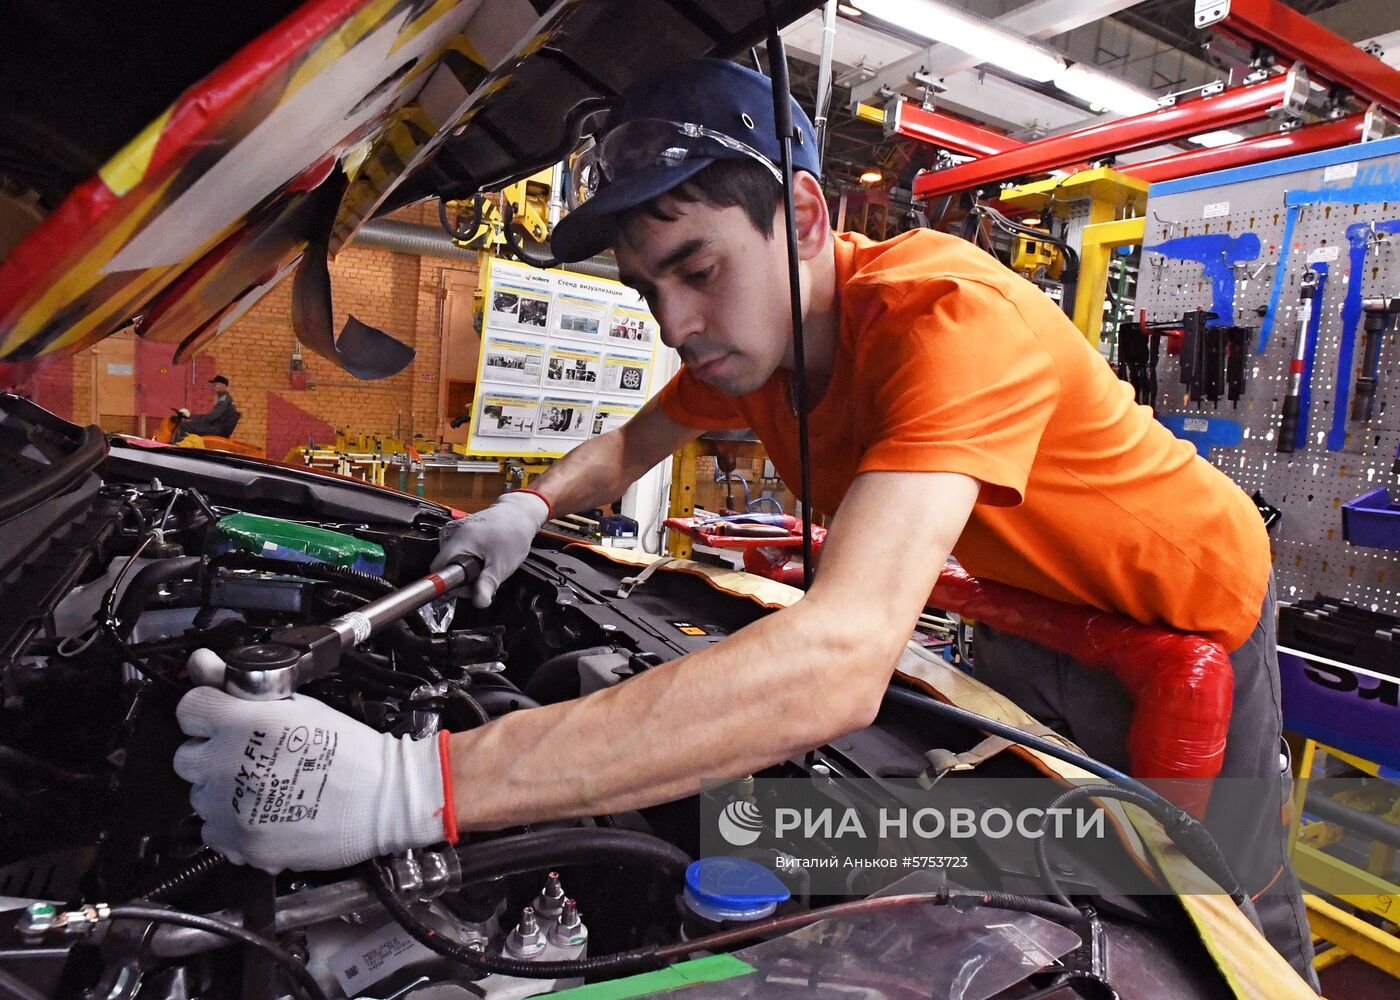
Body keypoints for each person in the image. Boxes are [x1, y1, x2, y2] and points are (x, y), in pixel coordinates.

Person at [172, 60, 1315, 985]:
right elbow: (634, 440)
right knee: (1076, 871)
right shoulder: (751, 344)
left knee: (1216, 904)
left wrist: (413, 787)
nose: (674, 322)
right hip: (1036, 616)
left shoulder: (949, 317)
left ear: (806, 214)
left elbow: (834, 666)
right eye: (645, 290)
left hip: (1193, 615)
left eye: (695, 267)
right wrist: (525, 504)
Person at [175, 374, 240, 440]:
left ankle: (179, 448)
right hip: (217, 427)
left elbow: (211, 417)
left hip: (216, 429)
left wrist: (190, 416)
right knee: (193, 424)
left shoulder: (224, 400)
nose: (214, 387)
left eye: (216, 385)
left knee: (185, 426)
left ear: (222, 385)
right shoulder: (227, 399)